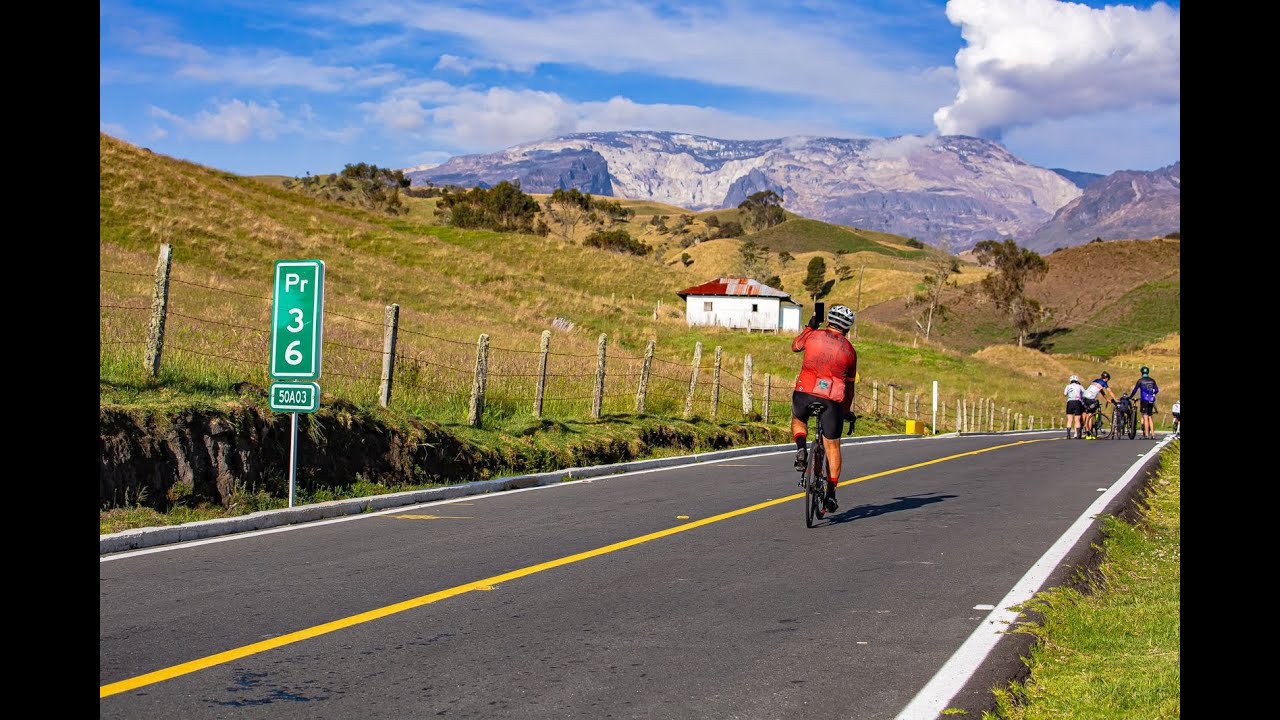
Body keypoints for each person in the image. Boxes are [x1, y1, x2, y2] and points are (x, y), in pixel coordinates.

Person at [791, 304, 858, 512]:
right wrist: (846, 411)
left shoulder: (813, 335)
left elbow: (795, 346)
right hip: (832, 400)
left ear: (827, 320)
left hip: (805, 393)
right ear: (847, 329)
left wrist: (811, 326)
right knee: (833, 447)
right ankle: (831, 493)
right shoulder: (850, 351)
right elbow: (849, 386)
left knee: (799, 419)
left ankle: (801, 449)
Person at [1080, 371, 1120, 439]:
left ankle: (1087, 433)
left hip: (1084, 397)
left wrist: (1106, 399)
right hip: (1090, 399)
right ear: (1107, 378)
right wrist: (1115, 399)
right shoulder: (1104, 383)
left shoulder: (1096, 380)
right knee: (1091, 416)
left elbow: (1101, 391)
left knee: (1087, 414)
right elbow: (1110, 391)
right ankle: (1089, 434)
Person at [1126, 366, 1160, 440]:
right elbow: (1157, 390)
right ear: (1148, 372)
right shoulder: (1152, 380)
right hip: (1151, 400)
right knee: (1150, 417)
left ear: (1141, 372)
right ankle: (1153, 434)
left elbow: (1135, 390)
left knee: (1145, 417)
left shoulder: (1140, 380)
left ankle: (1147, 434)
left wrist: (1130, 396)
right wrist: (1152, 394)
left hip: (1144, 399)